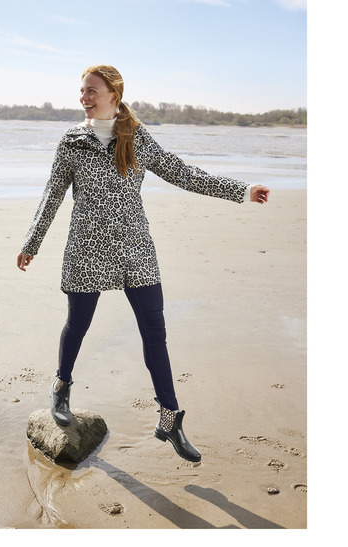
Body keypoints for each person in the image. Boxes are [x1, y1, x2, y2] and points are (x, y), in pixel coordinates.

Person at [17, 65, 269, 463]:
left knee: (155, 333)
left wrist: (243, 191)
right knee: (78, 323)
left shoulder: (136, 137)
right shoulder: (72, 141)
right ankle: (61, 386)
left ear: (113, 95)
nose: (84, 97)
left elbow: (182, 173)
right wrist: (32, 242)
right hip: (86, 249)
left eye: (92, 91)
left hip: (136, 250)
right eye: (82, 91)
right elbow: (53, 194)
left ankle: (170, 418)